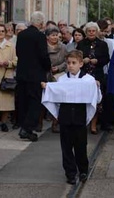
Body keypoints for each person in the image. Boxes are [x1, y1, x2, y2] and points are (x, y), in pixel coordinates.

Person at [41, 50, 102, 185]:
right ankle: (70, 173)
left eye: (74, 63)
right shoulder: (62, 79)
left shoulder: (88, 80)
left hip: (80, 117)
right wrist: (47, 88)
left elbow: (96, 98)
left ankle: (83, 170)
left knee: (81, 146)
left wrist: (96, 87)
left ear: (81, 64)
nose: (70, 66)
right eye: (68, 63)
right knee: (66, 147)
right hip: (66, 116)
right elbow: (56, 94)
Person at [15, 11, 51, 142]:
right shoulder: (40, 36)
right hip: (36, 74)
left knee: (23, 101)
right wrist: (48, 66)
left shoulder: (22, 35)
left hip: (22, 73)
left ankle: (24, 126)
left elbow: (18, 52)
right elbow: (43, 55)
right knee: (35, 101)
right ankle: (27, 128)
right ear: (41, 23)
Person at [77, 22, 110, 134]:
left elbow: (106, 59)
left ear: (97, 32)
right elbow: (76, 57)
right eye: (89, 31)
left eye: (93, 31)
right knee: (83, 99)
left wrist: (98, 61)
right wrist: (83, 60)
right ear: (86, 32)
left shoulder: (102, 44)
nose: (91, 33)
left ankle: (94, 124)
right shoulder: (81, 44)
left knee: (96, 100)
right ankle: (82, 123)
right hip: (84, 75)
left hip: (97, 74)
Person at [46, 27, 67, 133]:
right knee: (44, 98)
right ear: (47, 37)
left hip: (58, 75)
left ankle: (55, 122)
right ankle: (40, 121)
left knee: (57, 100)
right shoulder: (43, 47)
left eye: (56, 35)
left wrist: (58, 68)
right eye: (52, 35)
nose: (54, 37)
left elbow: (67, 61)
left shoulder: (63, 47)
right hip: (45, 74)